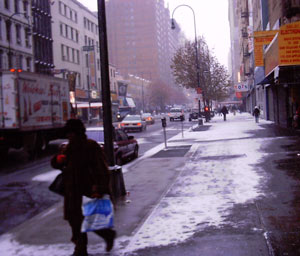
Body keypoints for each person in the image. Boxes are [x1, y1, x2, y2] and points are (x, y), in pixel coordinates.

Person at [51, 119, 116, 256]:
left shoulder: (90, 146)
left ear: (77, 133)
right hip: (72, 191)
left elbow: (101, 169)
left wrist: (99, 188)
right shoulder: (68, 147)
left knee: (89, 218)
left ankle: (103, 237)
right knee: (74, 220)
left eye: (71, 133)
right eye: (68, 133)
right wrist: (58, 160)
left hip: (88, 190)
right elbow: (57, 163)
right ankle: (82, 248)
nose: (69, 136)